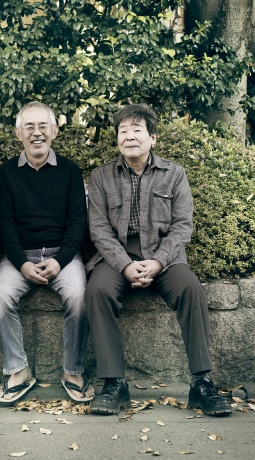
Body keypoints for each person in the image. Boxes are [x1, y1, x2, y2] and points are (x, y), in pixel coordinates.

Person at [85, 103, 232, 416]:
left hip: (165, 256)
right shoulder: (101, 177)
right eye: (123, 131)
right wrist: (125, 264)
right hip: (116, 257)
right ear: (117, 140)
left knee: (191, 289)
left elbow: (182, 225)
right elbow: (98, 229)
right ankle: (113, 383)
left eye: (137, 130)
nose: (129, 137)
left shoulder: (174, 174)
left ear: (152, 138)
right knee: (97, 291)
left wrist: (158, 262)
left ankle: (202, 383)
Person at [0, 101, 93, 404]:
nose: (37, 133)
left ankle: (73, 371)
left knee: (79, 296)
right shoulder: (6, 174)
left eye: (43, 126)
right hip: (19, 256)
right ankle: (18, 370)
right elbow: (4, 224)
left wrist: (60, 262)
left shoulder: (70, 171)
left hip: (63, 255)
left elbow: (78, 223)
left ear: (55, 131)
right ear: (18, 133)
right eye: (29, 127)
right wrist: (21, 264)